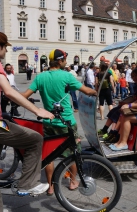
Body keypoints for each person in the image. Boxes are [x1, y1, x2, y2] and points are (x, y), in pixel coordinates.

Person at [0, 32, 54, 212]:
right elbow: (9, 92)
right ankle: (27, 184)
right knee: (35, 139)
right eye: (6, 47)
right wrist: (37, 110)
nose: (6, 51)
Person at [22, 48, 97, 196]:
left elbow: (24, 96)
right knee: (74, 153)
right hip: (66, 122)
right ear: (60, 61)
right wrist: (97, 92)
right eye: (64, 59)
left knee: (49, 156)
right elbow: (87, 91)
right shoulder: (66, 76)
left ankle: (50, 186)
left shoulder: (40, 77)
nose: (66, 62)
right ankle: (73, 181)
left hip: (48, 123)